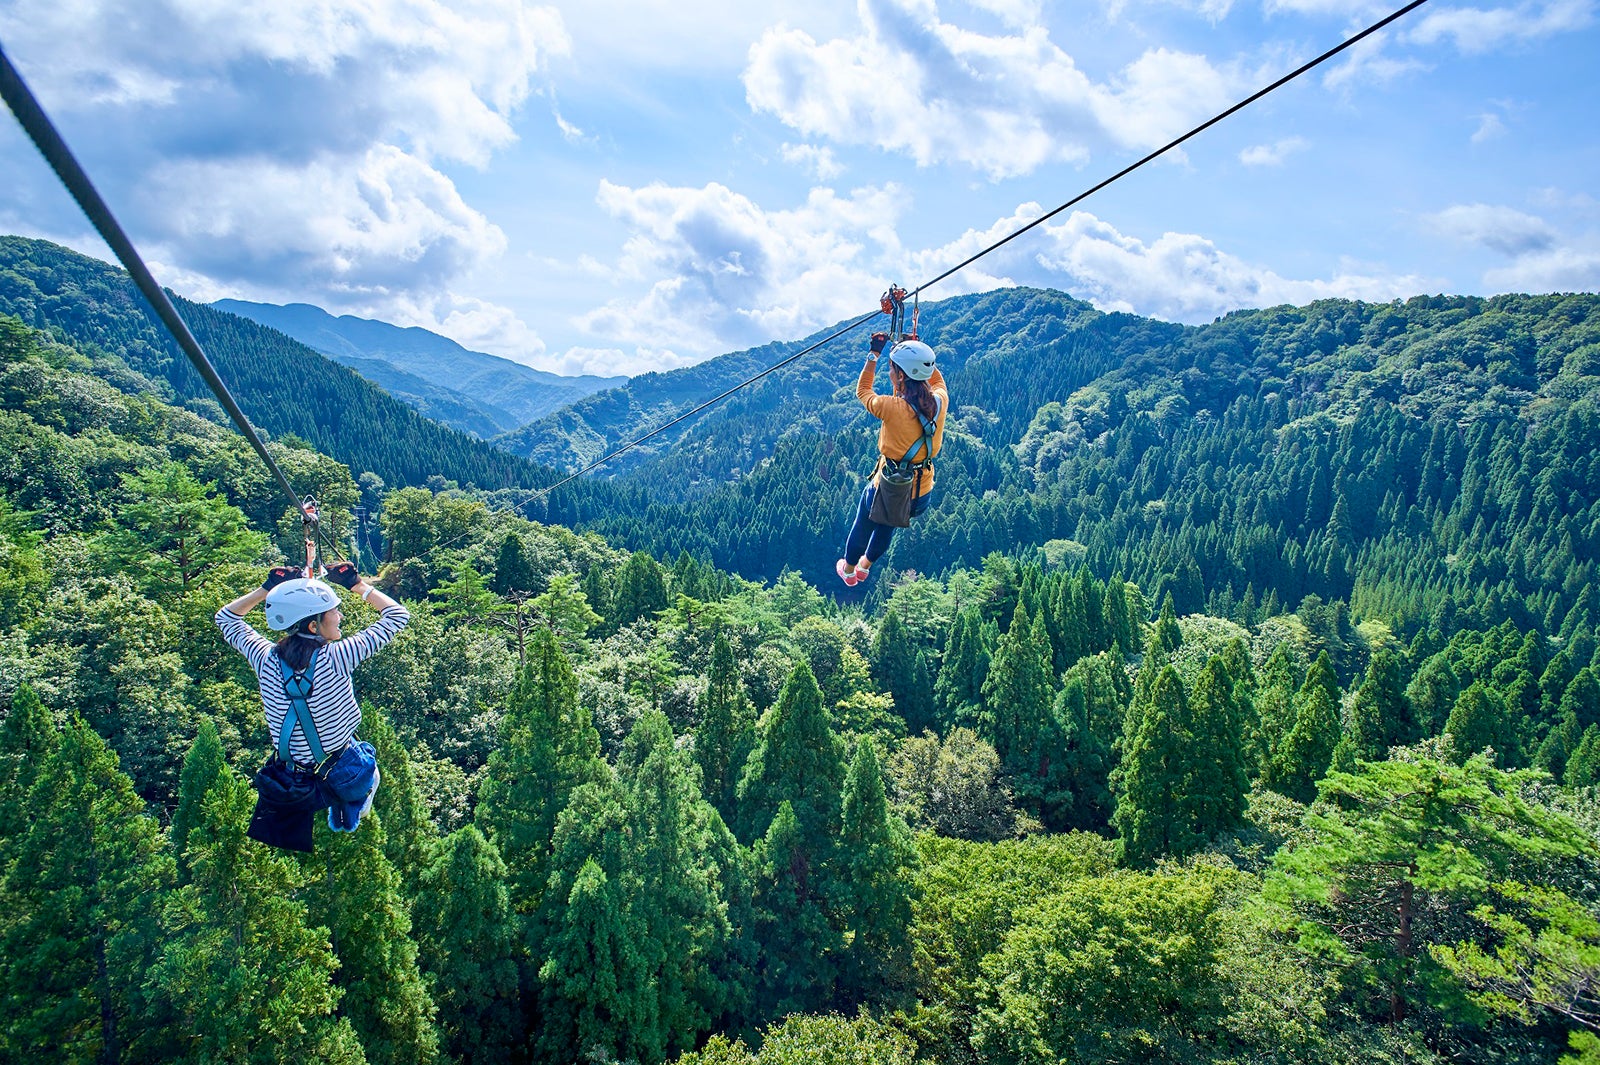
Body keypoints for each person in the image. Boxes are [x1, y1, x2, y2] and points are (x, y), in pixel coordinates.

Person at [216, 561, 409, 842]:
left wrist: (268, 589)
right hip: (345, 773)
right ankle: (350, 809)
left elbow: (226, 618)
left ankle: (340, 804)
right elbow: (397, 615)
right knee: (367, 757)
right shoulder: (338, 656)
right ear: (313, 625)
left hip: (290, 777)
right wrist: (357, 585)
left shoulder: (265, 658)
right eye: (333, 612)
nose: (340, 616)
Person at [837, 331, 948, 586]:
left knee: (864, 525)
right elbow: (934, 377)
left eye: (892, 369)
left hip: (888, 486)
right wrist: (915, 350)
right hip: (920, 493)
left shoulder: (892, 407)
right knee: (888, 524)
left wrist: (874, 354)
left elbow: (863, 391)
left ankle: (850, 570)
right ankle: (865, 566)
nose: (890, 373)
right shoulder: (940, 400)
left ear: (901, 376)